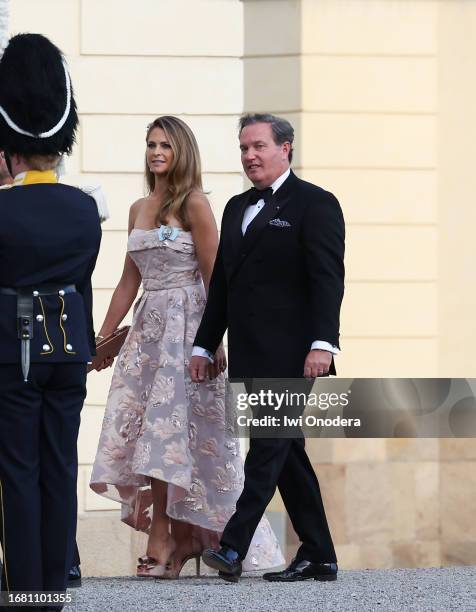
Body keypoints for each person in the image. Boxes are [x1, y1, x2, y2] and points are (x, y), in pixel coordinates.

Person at [90, 115, 284, 578]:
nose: (157, 152)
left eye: (166, 146)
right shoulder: (139, 206)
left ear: (182, 152)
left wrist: (213, 339)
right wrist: (104, 337)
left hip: (189, 330)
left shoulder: (196, 204)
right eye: (152, 145)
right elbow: (126, 281)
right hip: (147, 335)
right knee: (148, 435)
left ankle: (170, 536)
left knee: (176, 437)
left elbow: (216, 275)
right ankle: (178, 538)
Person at [190, 113, 345, 582]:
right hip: (249, 352)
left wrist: (324, 343)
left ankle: (233, 546)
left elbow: (327, 279)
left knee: (268, 446)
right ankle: (319, 554)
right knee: (287, 453)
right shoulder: (236, 207)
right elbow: (223, 286)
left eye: (258, 146)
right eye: (243, 148)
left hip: (297, 354)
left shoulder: (316, 204)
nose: (249, 156)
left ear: (286, 148)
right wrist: (204, 344)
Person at [0, 33, 101, 603]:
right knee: (59, 469)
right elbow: (81, 281)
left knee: (19, 473)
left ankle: (27, 594)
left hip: (11, 354)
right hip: (68, 350)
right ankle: (55, 592)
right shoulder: (85, 208)